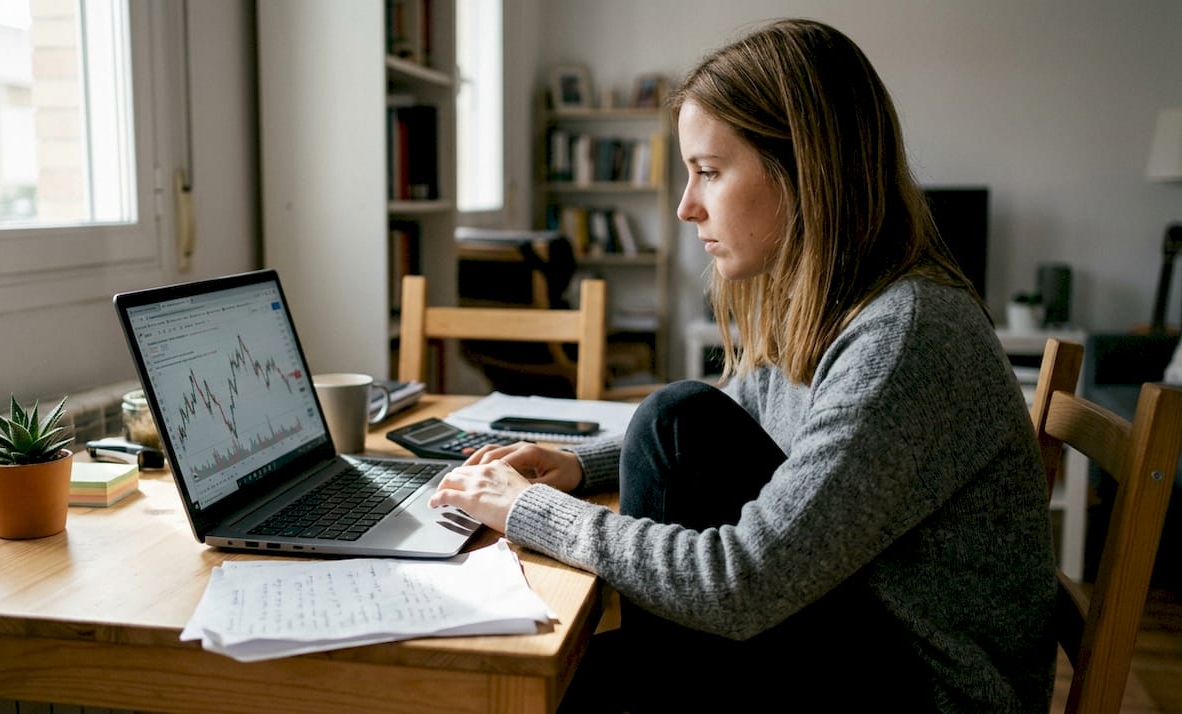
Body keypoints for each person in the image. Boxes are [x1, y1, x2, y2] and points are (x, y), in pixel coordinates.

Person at [430, 17, 1056, 712]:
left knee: (559, 673)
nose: (685, 206)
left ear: (804, 170)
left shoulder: (903, 334)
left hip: (932, 692)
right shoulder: (836, 306)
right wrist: (581, 466)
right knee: (674, 426)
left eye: (708, 172)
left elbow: (739, 580)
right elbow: (738, 408)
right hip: (866, 640)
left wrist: (531, 510)